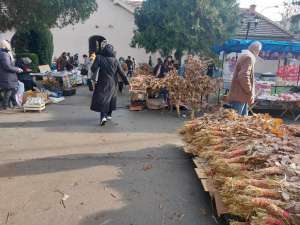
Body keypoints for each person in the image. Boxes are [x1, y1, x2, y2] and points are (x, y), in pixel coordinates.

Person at [90, 44, 129, 126]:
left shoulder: (99, 58)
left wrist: (96, 64)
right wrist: (127, 83)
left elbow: (93, 68)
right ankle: (109, 115)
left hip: (102, 82)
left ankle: (103, 116)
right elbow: (121, 72)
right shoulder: (115, 60)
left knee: (103, 98)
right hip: (113, 83)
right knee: (111, 98)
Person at [228, 41, 262, 116]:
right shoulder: (249, 57)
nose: (259, 53)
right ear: (255, 50)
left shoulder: (245, 55)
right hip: (240, 95)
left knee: (242, 120)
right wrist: (249, 90)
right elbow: (243, 75)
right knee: (236, 121)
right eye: (259, 51)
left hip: (241, 95)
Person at [0, 40, 23, 110]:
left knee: (12, 90)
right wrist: (17, 69)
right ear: (5, 45)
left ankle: (14, 104)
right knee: (9, 91)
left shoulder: (3, 53)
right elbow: (7, 66)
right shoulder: (4, 54)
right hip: (7, 76)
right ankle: (5, 106)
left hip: (7, 75)